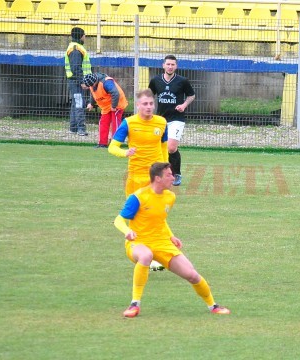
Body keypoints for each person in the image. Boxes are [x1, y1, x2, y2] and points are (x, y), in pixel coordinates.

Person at [114, 162, 231, 318]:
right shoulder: (138, 197)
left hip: (162, 243)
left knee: (192, 275)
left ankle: (213, 306)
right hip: (139, 242)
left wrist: (171, 236)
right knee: (146, 255)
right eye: (169, 175)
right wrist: (127, 231)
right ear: (157, 178)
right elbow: (118, 220)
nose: (173, 177)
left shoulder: (170, 197)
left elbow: (160, 220)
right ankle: (134, 304)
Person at [108, 89, 169, 273]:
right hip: (136, 178)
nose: (149, 107)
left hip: (157, 179)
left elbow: (164, 147)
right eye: (145, 104)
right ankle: (141, 254)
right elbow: (112, 147)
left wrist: (167, 172)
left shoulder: (162, 122)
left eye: (151, 104)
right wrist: (125, 152)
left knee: (157, 216)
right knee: (138, 217)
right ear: (138, 105)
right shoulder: (129, 123)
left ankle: (154, 254)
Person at [148, 55, 195, 186]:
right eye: (168, 64)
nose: (170, 67)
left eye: (172, 65)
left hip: (177, 119)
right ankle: (162, 174)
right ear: (163, 65)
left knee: (171, 147)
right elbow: (149, 96)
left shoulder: (182, 81)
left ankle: (177, 174)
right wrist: (148, 109)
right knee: (160, 148)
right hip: (160, 119)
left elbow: (191, 95)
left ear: (176, 66)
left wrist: (184, 105)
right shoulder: (155, 80)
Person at [81, 72, 128, 148]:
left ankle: (115, 144)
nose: (91, 87)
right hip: (106, 106)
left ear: (95, 82)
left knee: (115, 123)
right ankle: (102, 143)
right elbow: (94, 94)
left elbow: (115, 93)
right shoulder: (92, 84)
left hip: (117, 103)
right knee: (103, 122)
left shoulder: (106, 82)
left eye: (91, 85)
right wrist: (91, 104)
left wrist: (113, 106)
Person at [64, 27, 91, 136]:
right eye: (84, 35)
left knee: (76, 103)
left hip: (74, 81)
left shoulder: (75, 47)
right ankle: (81, 128)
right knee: (79, 103)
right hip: (76, 81)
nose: (85, 37)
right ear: (81, 36)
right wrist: (82, 81)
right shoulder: (76, 49)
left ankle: (74, 127)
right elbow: (76, 68)